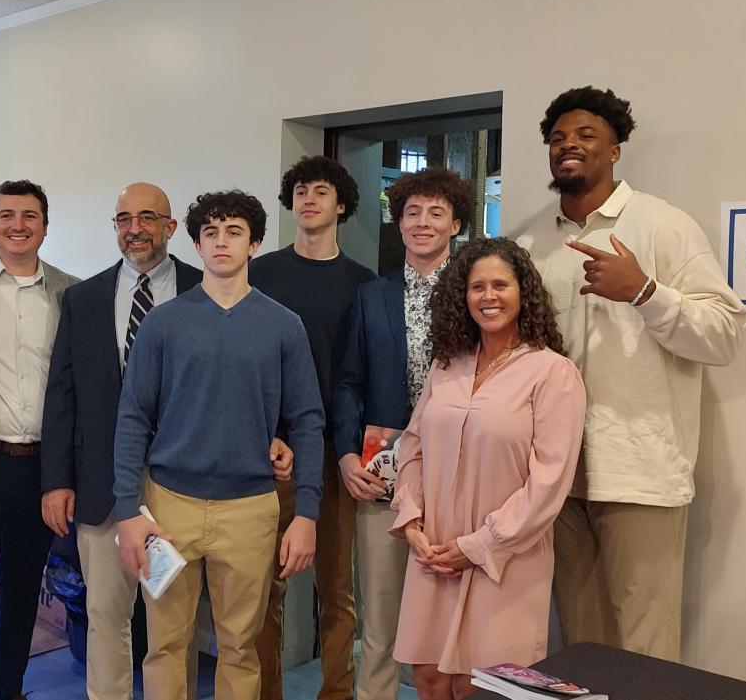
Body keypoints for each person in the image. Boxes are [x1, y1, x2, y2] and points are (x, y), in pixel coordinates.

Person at [40, 182, 295, 700]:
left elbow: (250, 377)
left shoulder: (210, 286)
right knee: (108, 616)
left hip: (180, 491)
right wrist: (56, 480)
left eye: (149, 217)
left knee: (181, 631)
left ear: (172, 228)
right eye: (124, 218)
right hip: (102, 486)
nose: (136, 228)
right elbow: (62, 394)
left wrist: (274, 436)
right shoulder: (83, 298)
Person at [517, 86, 746, 661]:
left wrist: (645, 292)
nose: (569, 146)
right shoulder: (530, 242)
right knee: (581, 646)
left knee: (644, 652)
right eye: (558, 138)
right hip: (557, 478)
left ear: (615, 150)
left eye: (586, 136)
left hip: (640, 474)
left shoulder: (662, 226)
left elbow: (724, 334)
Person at [114, 190, 325, 700]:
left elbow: (308, 421)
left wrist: (307, 514)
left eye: (234, 232)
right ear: (195, 244)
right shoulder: (163, 323)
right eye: (210, 233)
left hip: (250, 509)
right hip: (169, 506)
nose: (221, 242)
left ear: (254, 244)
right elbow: (133, 418)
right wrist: (127, 510)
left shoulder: (283, 326)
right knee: (164, 644)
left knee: (240, 646)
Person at [390, 238, 586, 700]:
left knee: (483, 688)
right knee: (431, 681)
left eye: (501, 284)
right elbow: (413, 445)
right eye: (477, 286)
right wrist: (411, 517)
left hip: (504, 560)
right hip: (434, 552)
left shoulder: (552, 373)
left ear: (524, 292)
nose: (488, 296)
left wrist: (478, 545)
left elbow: (549, 482)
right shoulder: (447, 365)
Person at [333, 166, 475, 700]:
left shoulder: (474, 291)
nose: (422, 222)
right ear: (398, 223)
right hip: (381, 465)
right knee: (381, 610)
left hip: (457, 468)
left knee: (451, 613)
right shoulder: (373, 294)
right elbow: (349, 381)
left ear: (456, 224)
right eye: (412, 212)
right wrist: (346, 455)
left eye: (436, 213)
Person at [251, 155, 375, 700]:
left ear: (341, 204)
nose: (308, 199)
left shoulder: (363, 284)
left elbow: (363, 374)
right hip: (269, 450)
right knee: (264, 588)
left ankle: (337, 692)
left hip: (333, 451)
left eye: (321, 191)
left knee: (337, 588)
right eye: (300, 190)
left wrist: (352, 449)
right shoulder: (261, 273)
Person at [0, 179, 79, 700]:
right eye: (7, 215)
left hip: (41, 470)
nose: (17, 225)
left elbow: (76, 383)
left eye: (29, 216)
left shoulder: (71, 293)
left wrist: (64, 473)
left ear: (45, 227)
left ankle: (8, 690)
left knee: (21, 592)